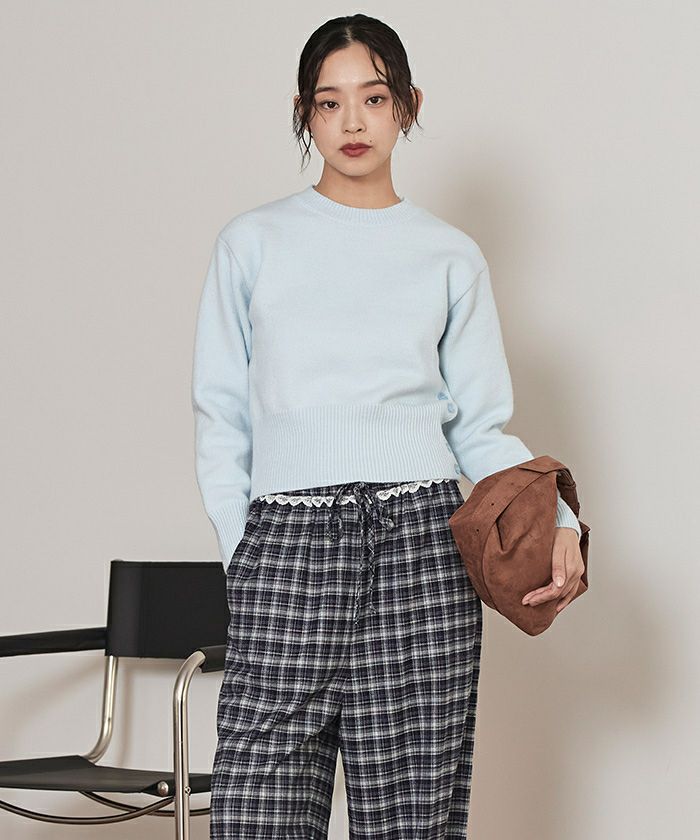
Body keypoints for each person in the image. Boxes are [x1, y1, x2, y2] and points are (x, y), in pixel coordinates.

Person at [191, 13, 585, 840]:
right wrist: (244, 549)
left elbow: (481, 425)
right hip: (287, 544)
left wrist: (559, 515)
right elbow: (220, 413)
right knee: (258, 810)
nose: (353, 121)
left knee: (414, 821)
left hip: (421, 547)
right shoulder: (251, 243)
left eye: (373, 98)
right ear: (304, 112)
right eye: (329, 102)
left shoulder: (449, 255)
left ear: (408, 105)